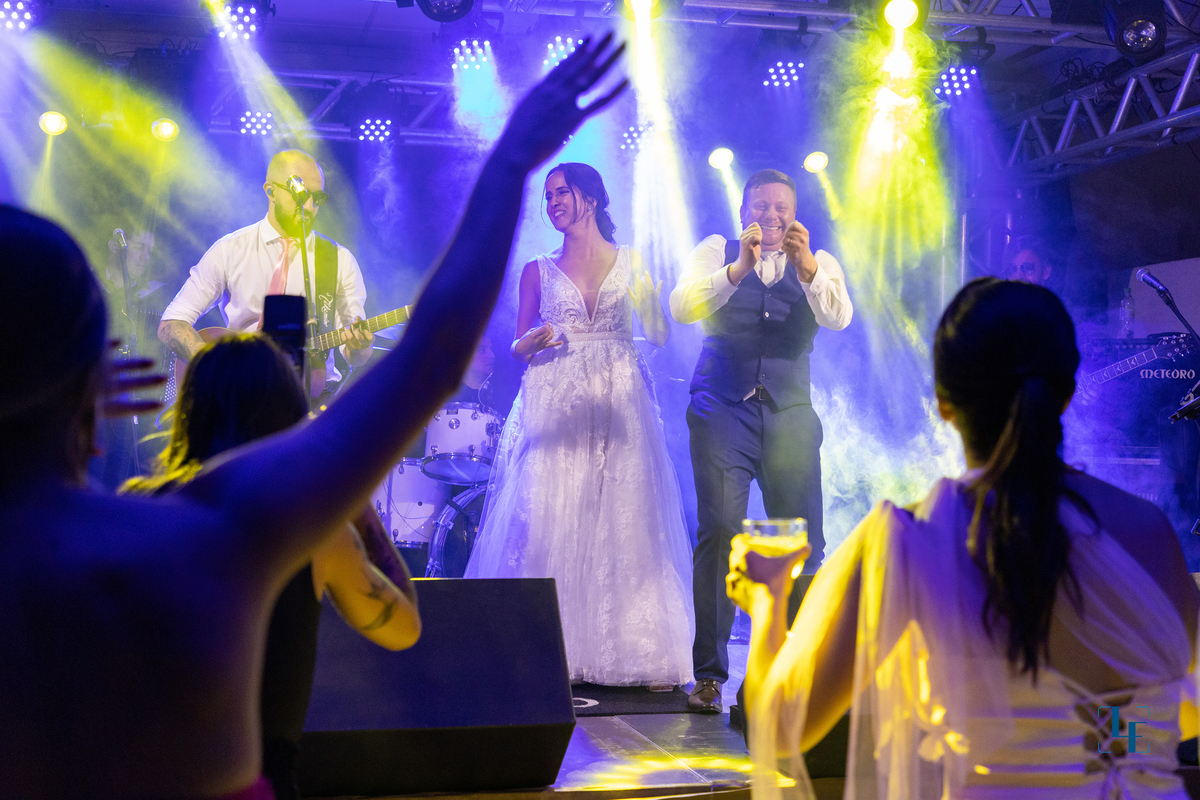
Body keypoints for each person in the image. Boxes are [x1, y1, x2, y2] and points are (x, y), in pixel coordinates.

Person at [0, 34, 626, 798]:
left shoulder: (333, 269)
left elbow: (378, 340)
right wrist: (509, 164)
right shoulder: (206, 527)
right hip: (262, 422)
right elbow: (432, 354)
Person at [729, 278, 1200, 800]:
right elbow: (1178, 717)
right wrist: (1094, 739)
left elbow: (779, 730)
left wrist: (766, 599)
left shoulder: (903, 543)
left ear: (943, 404)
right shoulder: (1151, 533)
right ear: (1066, 394)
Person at [121, 333, 420, 800]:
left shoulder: (136, 511)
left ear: (191, 412)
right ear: (290, 416)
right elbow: (403, 628)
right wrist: (359, 508)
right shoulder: (313, 529)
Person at [464, 162, 695, 688]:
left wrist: (650, 305)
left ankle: (631, 650)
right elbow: (518, 346)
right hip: (557, 393)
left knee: (623, 512)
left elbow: (659, 334)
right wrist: (531, 342)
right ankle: (547, 646)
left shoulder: (631, 261)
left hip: (619, 394)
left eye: (561, 193)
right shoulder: (537, 269)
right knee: (552, 511)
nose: (553, 204)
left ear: (590, 197)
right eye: (547, 197)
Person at [670, 168, 852, 714]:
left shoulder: (819, 260)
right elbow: (681, 307)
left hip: (789, 414)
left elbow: (839, 318)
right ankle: (709, 677)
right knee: (722, 531)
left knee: (799, 541)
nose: (770, 216)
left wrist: (809, 268)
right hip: (722, 408)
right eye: (760, 206)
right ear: (743, 210)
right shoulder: (716, 250)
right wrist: (737, 270)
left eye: (780, 208)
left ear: (794, 215)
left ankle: (783, 676)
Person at [157, 149, 374, 398]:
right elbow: (171, 323)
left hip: (310, 399)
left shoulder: (339, 260)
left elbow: (355, 354)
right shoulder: (230, 249)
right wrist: (213, 366)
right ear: (271, 191)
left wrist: (359, 346)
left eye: (318, 198)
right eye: (301, 195)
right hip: (240, 399)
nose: (309, 206)